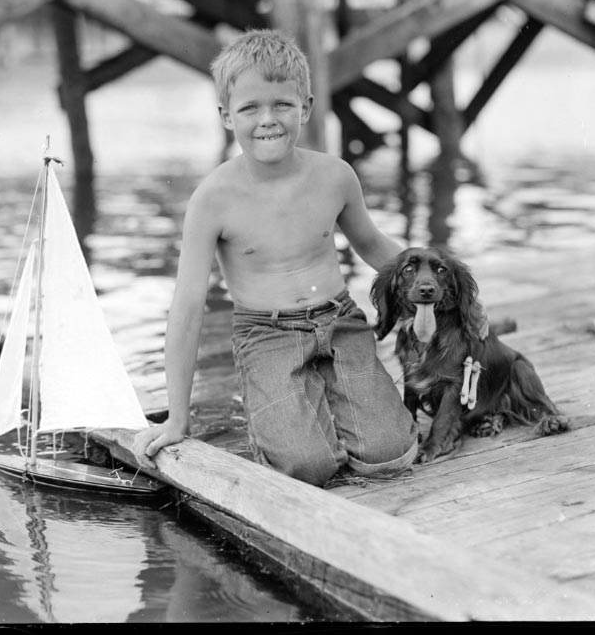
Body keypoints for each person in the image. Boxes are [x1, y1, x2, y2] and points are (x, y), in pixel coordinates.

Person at [132, 29, 418, 486]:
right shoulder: (212, 199)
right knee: (306, 468)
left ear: (305, 106)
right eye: (249, 108)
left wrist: (441, 283)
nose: (268, 120)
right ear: (226, 115)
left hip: (340, 321)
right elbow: (186, 310)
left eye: (282, 105)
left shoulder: (335, 176)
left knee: (391, 454)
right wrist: (177, 418)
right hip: (266, 333)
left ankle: (331, 398)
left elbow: (373, 246)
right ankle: (281, 409)